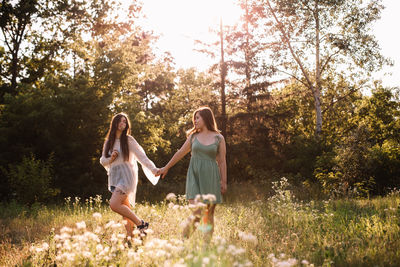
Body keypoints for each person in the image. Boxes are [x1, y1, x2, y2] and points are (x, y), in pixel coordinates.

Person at [158, 107, 227, 240]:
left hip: (211, 177)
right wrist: (166, 167)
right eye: (194, 118)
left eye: (197, 118)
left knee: (209, 214)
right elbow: (179, 153)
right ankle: (183, 241)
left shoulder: (219, 138)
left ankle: (206, 248)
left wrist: (223, 181)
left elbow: (222, 161)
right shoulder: (193, 137)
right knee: (197, 212)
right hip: (194, 177)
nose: (195, 121)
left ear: (206, 118)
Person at [100, 113, 159, 236]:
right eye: (120, 121)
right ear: (115, 123)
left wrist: (153, 169)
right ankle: (130, 237)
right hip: (115, 177)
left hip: (127, 177)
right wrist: (112, 158)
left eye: (125, 122)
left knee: (114, 204)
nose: (123, 123)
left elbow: (142, 157)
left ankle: (141, 223)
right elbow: (103, 161)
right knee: (124, 209)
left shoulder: (128, 140)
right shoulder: (108, 142)